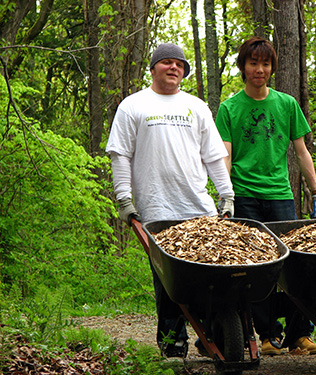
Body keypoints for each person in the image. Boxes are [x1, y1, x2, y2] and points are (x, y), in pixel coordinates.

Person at [106, 42, 235, 357]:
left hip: (199, 209)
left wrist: (227, 195)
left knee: (212, 277)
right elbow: (120, 155)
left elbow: (215, 157)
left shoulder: (196, 107)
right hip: (157, 210)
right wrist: (125, 200)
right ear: (153, 69)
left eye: (179, 64)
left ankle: (217, 334)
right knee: (168, 283)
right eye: (166, 62)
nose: (173, 67)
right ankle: (172, 343)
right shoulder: (133, 105)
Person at [215, 36, 316, 355]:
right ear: (243, 67)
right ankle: (265, 336)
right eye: (253, 63)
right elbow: (225, 153)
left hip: (280, 195)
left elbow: (302, 152)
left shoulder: (287, 104)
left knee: (293, 266)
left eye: (265, 63)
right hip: (245, 196)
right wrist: (226, 194)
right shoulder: (230, 108)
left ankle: (298, 336)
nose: (259, 69)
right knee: (254, 267)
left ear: (272, 67)